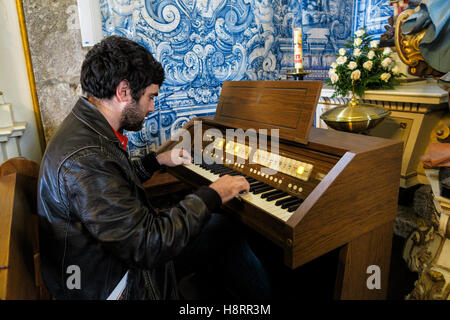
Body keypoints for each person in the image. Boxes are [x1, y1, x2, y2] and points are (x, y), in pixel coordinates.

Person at [37, 35, 272, 300]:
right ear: (123, 91)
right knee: (224, 230)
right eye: (150, 97)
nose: (151, 107)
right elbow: (148, 245)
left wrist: (156, 161)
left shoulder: (86, 131)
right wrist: (213, 194)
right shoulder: (87, 158)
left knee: (218, 228)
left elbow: (111, 190)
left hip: (103, 267)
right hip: (116, 286)